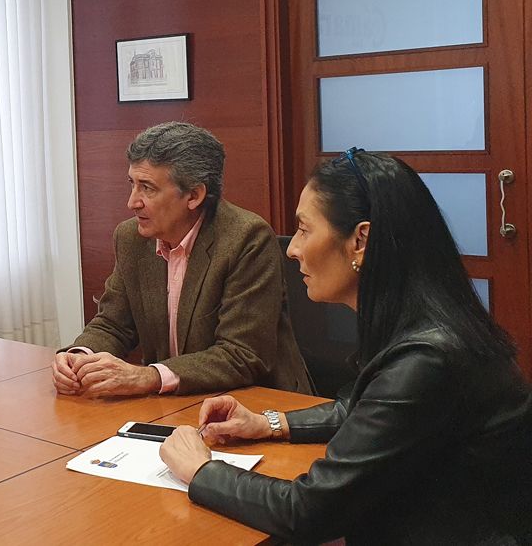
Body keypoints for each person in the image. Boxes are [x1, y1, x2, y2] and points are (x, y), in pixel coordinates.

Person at [161, 149, 532, 544]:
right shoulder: (428, 325)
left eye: (304, 230)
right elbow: (365, 409)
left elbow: (307, 511)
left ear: (360, 239)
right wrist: (268, 423)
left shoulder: (428, 358)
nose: (292, 249)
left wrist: (201, 471)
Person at [53, 121, 311, 397]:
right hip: (173, 403)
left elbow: (241, 354)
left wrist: (150, 376)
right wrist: (81, 356)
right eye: (132, 184)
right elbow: (113, 324)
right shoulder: (131, 238)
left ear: (194, 195)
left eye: (147, 188)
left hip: (257, 405)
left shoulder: (247, 238)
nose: (132, 202)